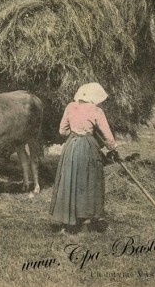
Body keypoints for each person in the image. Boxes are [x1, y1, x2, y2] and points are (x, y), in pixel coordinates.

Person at [49, 82, 117, 232]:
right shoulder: (96, 111)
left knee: (69, 179)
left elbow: (62, 131)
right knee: (89, 180)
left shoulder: (70, 107)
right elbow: (107, 135)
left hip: (71, 147)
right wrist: (112, 147)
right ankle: (86, 219)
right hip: (88, 147)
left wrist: (75, 133)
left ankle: (68, 218)